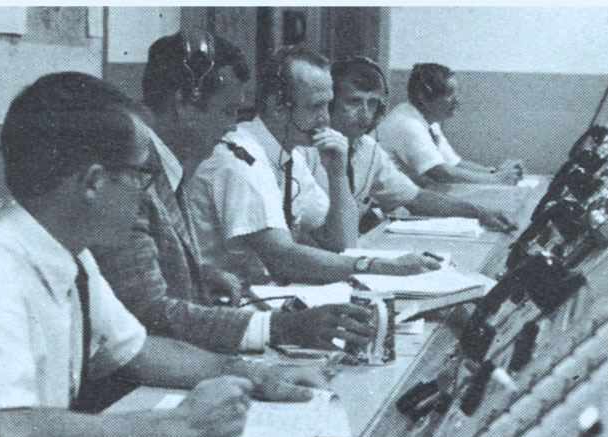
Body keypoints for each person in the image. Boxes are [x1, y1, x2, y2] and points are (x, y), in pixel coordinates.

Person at [0, 72, 322, 437]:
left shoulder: (66, 250)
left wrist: (253, 375)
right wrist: (181, 425)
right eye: (140, 173)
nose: (146, 193)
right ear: (93, 182)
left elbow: (137, 350)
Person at [91, 32, 375, 354]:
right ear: (183, 102)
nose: (231, 127)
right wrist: (280, 327)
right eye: (227, 111)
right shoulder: (133, 179)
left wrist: (201, 273)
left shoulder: (170, 165)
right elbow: (150, 313)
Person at [185, 46, 435, 285]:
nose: (326, 118)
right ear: (277, 105)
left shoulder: (291, 155)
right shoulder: (240, 158)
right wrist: (378, 266)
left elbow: (343, 243)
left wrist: (337, 174)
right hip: (222, 306)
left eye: (328, 105)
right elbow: (281, 258)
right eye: (316, 106)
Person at [299, 57, 516, 232]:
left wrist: (479, 212)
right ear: (330, 104)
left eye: (372, 103)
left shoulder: (368, 149)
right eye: (353, 102)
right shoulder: (304, 151)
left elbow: (415, 197)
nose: (365, 113)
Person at [378, 63, 524, 187]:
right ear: (423, 97)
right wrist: (497, 179)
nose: (457, 101)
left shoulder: (427, 121)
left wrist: (494, 172)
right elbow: (443, 174)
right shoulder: (408, 124)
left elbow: (455, 164)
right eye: (449, 94)